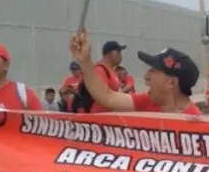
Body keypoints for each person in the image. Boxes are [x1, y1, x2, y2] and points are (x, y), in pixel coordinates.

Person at [69, 30, 201, 114]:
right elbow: (107, 97)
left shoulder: (196, 123)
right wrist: (85, 61)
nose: (146, 77)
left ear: (171, 82)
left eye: (153, 71)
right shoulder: (147, 101)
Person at [72, 40, 126, 113]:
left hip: (108, 115)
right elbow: (100, 95)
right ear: (110, 54)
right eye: (119, 52)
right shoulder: (100, 70)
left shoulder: (110, 70)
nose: (121, 55)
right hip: (98, 116)